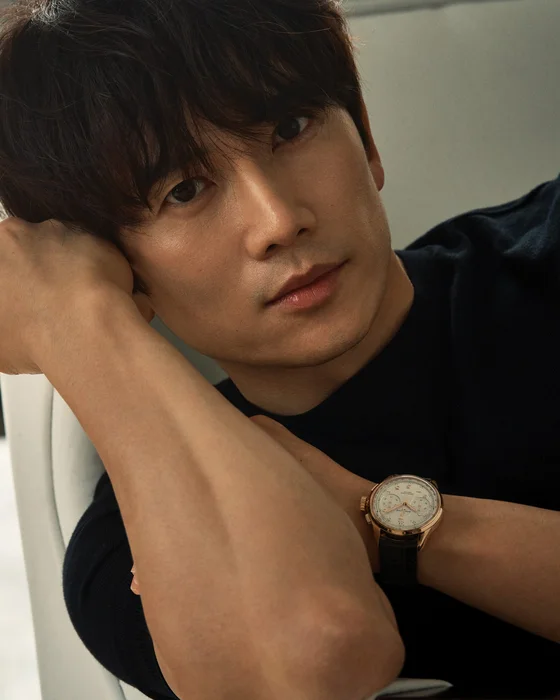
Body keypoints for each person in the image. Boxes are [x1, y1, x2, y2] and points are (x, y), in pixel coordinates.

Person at [0, 1, 557, 699]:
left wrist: (375, 517)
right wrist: (78, 320)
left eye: (290, 129)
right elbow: (322, 652)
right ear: (117, 265)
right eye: (183, 191)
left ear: (367, 138)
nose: (278, 221)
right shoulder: (139, 543)